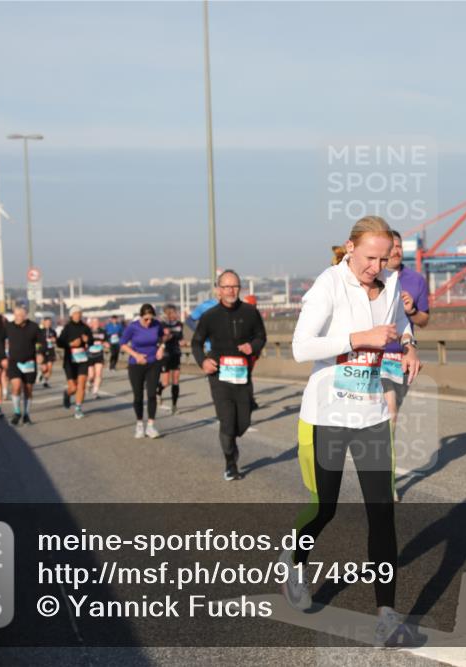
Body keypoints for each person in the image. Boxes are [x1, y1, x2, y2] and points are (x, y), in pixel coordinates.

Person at [281, 216, 421, 647]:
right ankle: (295, 558)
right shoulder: (329, 284)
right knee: (325, 507)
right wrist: (359, 337)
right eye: (369, 258)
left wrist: (410, 346)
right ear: (350, 248)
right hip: (327, 414)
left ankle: (386, 614)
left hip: (372, 414)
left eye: (384, 258)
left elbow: (400, 324)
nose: (375, 267)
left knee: (382, 512)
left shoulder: (393, 283)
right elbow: (301, 347)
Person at [191, 270, 266, 481]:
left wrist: (252, 346)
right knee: (227, 421)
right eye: (226, 287)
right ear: (218, 290)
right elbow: (196, 342)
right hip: (219, 375)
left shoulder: (250, 312)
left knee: (242, 423)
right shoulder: (210, 316)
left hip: (242, 375)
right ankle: (230, 463)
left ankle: (232, 442)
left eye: (234, 286)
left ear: (239, 288)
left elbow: (261, 336)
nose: (230, 291)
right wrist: (203, 361)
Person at [380, 230, 430, 502]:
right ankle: (385, 482)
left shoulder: (416, 280)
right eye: (392, 246)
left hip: (400, 358)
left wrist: (410, 311)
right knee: (388, 413)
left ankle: (381, 472)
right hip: (371, 358)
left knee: (390, 420)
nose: (397, 250)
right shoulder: (372, 278)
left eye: (399, 246)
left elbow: (424, 321)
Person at [120, 304, 166, 439]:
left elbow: (163, 337)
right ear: (141, 317)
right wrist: (136, 356)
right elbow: (123, 344)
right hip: (136, 365)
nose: (149, 322)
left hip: (153, 363)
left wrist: (161, 347)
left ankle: (151, 426)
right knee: (138, 396)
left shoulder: (157, 324)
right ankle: (139, 424)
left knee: (152, 394)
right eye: (146, 319)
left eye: (151, 319)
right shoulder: (133, 327)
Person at [5, 303, 45, 425]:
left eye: (20, 315)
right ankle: (17, 412)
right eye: (16, 315)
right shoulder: (9, 327)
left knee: (28, 389)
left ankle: (26, 414)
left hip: (29, 362)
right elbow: (0, 341)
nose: (18, 317)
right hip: (14, 362)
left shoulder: (33, 327)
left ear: (25, 316)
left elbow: (41, 342)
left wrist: (40, 353)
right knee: (16, 386)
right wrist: (2, 356)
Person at [57, 305, 92, 419]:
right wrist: (71, 344)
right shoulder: (67, 328)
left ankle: (78, 408)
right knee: (73, 388)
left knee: (81, 385)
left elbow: (91, 341)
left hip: (82, 359)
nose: (78, 315)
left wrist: (88, 340)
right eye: (75, 313)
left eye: (79, 313)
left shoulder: (85, 328)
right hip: (70, 361)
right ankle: (67, 393)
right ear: (71, 315)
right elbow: (59, 342)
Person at [158, 304, 184, 414]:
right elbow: (160, 339)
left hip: (176, 353)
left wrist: (182, 342)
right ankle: (157, 393)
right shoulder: (162, 325)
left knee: (176, 380)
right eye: (174, 312)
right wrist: (166, 337)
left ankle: (174, 406)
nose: (176, 314)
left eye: (176, 312)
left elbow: (180, 337)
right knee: (165, 382)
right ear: (168, 314)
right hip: (166, 354)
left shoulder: (179, 324)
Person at [86, 317, 107, 399]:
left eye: (97, 322)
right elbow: (84, 342)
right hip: (90, 355)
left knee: (98, 374)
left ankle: (95, 392)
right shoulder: (88, 332)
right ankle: (89, 383)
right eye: (94, 322)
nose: (96, 324)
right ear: (91, 323)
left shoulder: (103, 331)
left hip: (99, 355)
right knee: (91, 376)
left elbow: (106, 341)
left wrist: (106, 344)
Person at [39, 316, 57, 388]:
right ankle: (41, 373)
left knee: (49, 368)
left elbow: (56, 340)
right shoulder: (40, 331)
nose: (48, 324)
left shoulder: (53, 331)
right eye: (46, 322)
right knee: (44, 368)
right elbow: (37, 342)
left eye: (49, 322)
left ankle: (45, 381)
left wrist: (54, 340)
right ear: (43, 323)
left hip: (50, 351)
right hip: (42, 351)